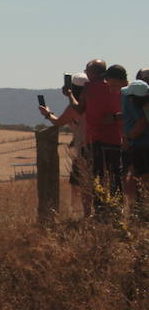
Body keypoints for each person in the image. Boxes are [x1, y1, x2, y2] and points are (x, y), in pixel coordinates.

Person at [67, 59, 125, 209]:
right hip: (115, 138)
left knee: (97, 178)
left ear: (92, 72)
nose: (86, 73)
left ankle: (100, 210)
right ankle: (117, 207)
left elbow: (79, 109)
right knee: (114, 177)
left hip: (95, 138)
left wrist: (69, 95)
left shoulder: (88, 88)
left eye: (87, 70)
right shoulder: (116, 87)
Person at [39, 74, 91, 218]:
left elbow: (58, 122)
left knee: (79, 184)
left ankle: (81, 213)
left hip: (82, 149)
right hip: (96, 145)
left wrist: (48, 114)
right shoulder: (94, 102)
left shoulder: (74, 108)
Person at [122, 76, 149, 216]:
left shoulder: (141, 110)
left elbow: (142, 124)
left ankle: (140, 210)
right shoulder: (144, 107)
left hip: (140, 146)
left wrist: (128, 138)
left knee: (142, 177)